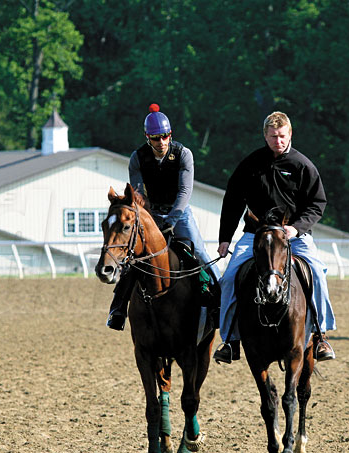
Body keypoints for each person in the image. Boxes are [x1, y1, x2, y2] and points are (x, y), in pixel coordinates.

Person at [213, 111, 336, 364]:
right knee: (228, 279)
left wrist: (296, 228)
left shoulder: (303, 166)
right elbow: (233, 201)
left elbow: (317, 204)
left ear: (289, 134)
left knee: (317, 272)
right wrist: (225, 238)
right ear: (265, 136)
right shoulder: (250, 164)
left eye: (281, 136)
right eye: (272, 137)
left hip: (294, 236)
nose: (277, 141)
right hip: (255, 236)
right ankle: (231, 341)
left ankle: (321, 336)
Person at [106, 103, 221, 330]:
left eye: (165, 137)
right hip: (151, 213)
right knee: (133, 257)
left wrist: (172, 220)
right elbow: (139, 195)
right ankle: (117, 309)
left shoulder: (183, 154)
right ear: (147, 137)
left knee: (198, 250)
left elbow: (185, 191)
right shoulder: (137, 157)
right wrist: (154, 220)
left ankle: (220, 299)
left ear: (171, 134)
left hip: (180, 212)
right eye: (156, 138)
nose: (161, 142)